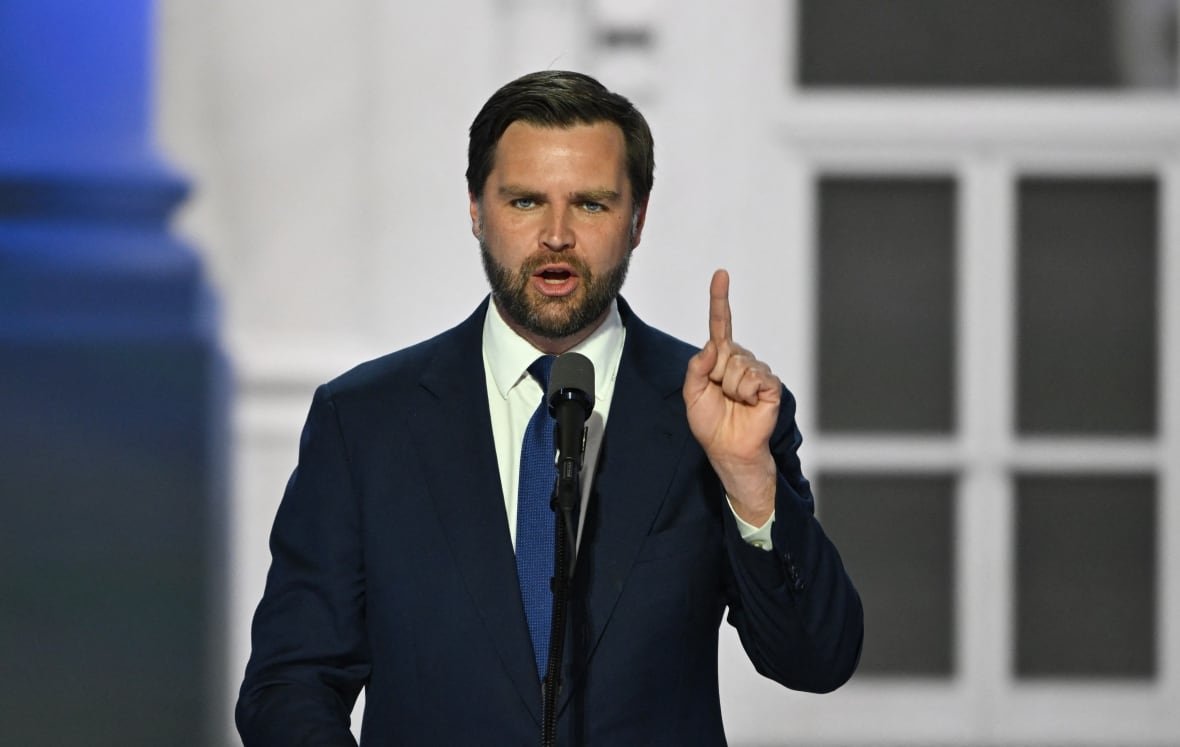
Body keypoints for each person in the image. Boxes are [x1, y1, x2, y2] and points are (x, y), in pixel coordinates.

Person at [236, 69, 862, 746]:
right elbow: (289, 685)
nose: (557, 234)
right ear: (476, 209)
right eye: (526, 201)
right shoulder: (364, 422)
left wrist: (748, 482)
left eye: (591, 204)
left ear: (638, 219)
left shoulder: (717, 417)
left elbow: (817, 658)